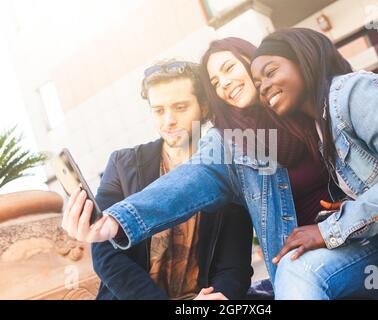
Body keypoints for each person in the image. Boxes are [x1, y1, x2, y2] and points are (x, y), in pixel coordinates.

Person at [61, 35, 378, 300]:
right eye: (216, 81)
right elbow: (183, 185)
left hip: (364, 236)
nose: (169, 121)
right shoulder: (228, 145)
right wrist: (114, 222)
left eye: (229, 68)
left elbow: (234, 265)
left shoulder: (308, 108)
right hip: (294, 262)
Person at [250, 28, 378, 300]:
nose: (264, 87)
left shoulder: (354, 91)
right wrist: (351, 205)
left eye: (270, 72)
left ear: (303, 58)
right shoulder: (323, 128)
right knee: (297, 267)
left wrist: (331, 229)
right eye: (258, 85)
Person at [63, 60, 254, 300]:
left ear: (204, 107)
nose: (168, 121)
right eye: (159, 110)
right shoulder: (124, 164)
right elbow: (106, 255)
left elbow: (234, 266)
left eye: (181, 107)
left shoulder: (227, 166)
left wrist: (220, 296)